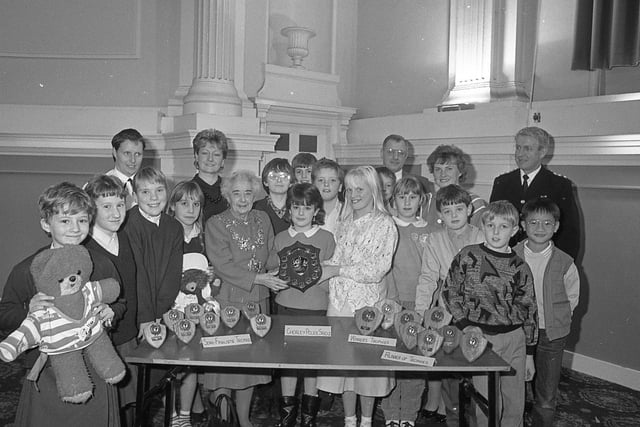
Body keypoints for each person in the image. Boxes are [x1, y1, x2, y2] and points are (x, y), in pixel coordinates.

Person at [0, 182, 121, 427]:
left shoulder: (101, 264)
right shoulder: (28, 269)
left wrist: (112, 311)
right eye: (65, 221)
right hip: (48, 370)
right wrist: (28, 310)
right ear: (46, 224)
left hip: (95, 365)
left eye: (82, 220)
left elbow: (120, 301)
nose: (75, 229)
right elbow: (4, 312)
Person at [203, 170, 289, 427]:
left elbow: (272, 253)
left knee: (249, 365)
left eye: (248, 193)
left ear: (255, 195)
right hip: (229, 302)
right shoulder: (215, 223)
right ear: (227, 195)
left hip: (259, 301)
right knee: (226, 365)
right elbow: (222, 265)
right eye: (237, 193)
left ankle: (244, 418)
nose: (242, 199)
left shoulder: (263, 218)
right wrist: (259, 278)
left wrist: (285, 266)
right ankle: (224, 419)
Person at [442, 201, 538, 427]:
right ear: (482, 226)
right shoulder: (467, 255)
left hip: (515, 340)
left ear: (514, 230)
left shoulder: (520, 267)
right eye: (491, 225)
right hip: (481, 338)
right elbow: (450, 292)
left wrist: (530, 354)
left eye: (503, 226)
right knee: (487, 405)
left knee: (515, 404)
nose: (496, 232)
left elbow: (529, 309)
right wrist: (465, 324)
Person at [316, 166, 398, 427]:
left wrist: (335, 269)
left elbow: (377, 269)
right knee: (344, 368)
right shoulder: (343, 222)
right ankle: (349, 419)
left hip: (367, 305)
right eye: (349, 189)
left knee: (366, 368)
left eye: (359, 189)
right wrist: (313, 269)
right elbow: (336, 259)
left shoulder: (385, 223)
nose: (352, 195)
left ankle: (365, 420)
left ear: (373, 190)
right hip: (339, 303)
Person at [416, 185, 485, 426]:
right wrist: (421, 312)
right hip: (447, 312)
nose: (454, 215)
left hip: (478, 313)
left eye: (459, 209)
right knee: (448, 368)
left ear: (469, 209)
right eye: (447, 211)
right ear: (440, 215)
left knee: (478, 369)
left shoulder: (482, 236)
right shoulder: (435, 239)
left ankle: (480, 419)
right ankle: (453, 417)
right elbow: (427, 278)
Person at [269, 183, 336, 427]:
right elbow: (272, 271)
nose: (300, 213)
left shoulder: (327, 238)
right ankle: (287, 418)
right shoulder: (280, 238)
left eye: (307, 208)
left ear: (316, 209)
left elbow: (331, 276)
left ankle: (308, 418)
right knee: (287, 363)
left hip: (316, 309)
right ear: (289, 209)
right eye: (296, 207)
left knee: (311, 365)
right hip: (286, 307)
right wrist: (274, 278)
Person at [513, 198, 579, 427]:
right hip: (518, 333)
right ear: (522, 224)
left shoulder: (564, 261)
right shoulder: (511, 255)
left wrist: (558, 319)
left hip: (551, 334)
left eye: (547, 223)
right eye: (533, 222)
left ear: (556, 226)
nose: (540, 228)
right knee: (514, 386)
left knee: (546, 393)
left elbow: (572, 295)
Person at [84, 175, 139, 426]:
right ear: (91, 210)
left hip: (128, 333)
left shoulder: (124, 238)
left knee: (128, 399)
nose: (116, 213)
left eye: (120, 205)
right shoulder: (86, 248)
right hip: (101, 340)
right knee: (106, 404)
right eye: (106, 207)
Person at [381, 176, 429, 427]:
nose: (407, 202)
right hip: (393, 304)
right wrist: (392, 302)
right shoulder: (389, 227)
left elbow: (432, 271)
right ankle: (391, 413)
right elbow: (385, 268)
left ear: (421, 200)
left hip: (421, 307)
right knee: (390, 360)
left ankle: (408, 414)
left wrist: (425, 307)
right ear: (394, 200)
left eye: (412, 197)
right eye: (402, 197)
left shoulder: (429, 230)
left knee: (415, 363)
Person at [489, 127, 580, 260]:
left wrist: (561, 266)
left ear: (542, 152)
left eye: (527, 149)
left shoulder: (559, 185)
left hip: (543, 259)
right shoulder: (502, 182)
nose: (520, 154)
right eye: (518, 148)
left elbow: (568, 232)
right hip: (506, 258)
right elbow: (492, 224)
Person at [166, 181, 211, 427]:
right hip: (171, 308)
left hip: (197, 308)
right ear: (173, 206)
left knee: (190, 363)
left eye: (196, 204)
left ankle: (185, 415)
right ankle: (171, 414)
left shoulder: (203, 237)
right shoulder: (165, 235)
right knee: (172, 366)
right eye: (184, 203)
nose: (190, 209)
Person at [124, 166, 183, 337]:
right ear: (134, 196)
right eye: (145, 192)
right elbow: (138, 275)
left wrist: (160, 312)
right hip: (137, 311)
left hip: (163, 311)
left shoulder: (174, 227)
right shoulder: (129, 225)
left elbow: (173, 274)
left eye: (159, 190)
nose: (154, 198)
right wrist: (146, 316)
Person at [424, 145, 487, 228]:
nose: (443, 174)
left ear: (460, 171)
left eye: (449, 168)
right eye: (438, 169)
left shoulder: (475, 202)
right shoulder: (426, 201)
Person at [191, 128, 230, 224]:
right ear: (196, 156)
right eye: (205, 153)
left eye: (216, 154)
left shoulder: (231, 189)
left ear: (223, 160)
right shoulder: (186, 190)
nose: (210, 159)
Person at [106, 128, 146, 209]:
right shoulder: (98, 186)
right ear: (115, 152)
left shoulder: (151, 186)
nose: (133, 160)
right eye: (127, 153)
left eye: (137, 154)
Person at [254, 158, 293, 236]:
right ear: (265, 182)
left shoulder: (298, 207)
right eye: (273, 176)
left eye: (284, 176)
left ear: (291, 182)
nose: (279, 180)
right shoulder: (256, 207)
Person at [312, 157, 344, 234]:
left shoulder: (347, 212)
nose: (326, 184)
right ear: (313, 185)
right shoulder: (306, 212)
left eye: (332, 180)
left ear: (340, 187)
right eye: (321, 180)